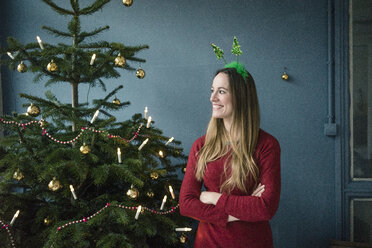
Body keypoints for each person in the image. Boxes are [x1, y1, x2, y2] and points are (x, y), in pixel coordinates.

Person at [179, 61, 281, 248]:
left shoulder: (267, 145)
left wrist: (212, 198)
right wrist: (243, 209)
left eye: (221, 91)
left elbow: (266, 208)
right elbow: (186, 204)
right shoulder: (202, 146)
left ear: (241, 97)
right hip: (208, 243)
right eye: (212, 90)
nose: (212, 98)